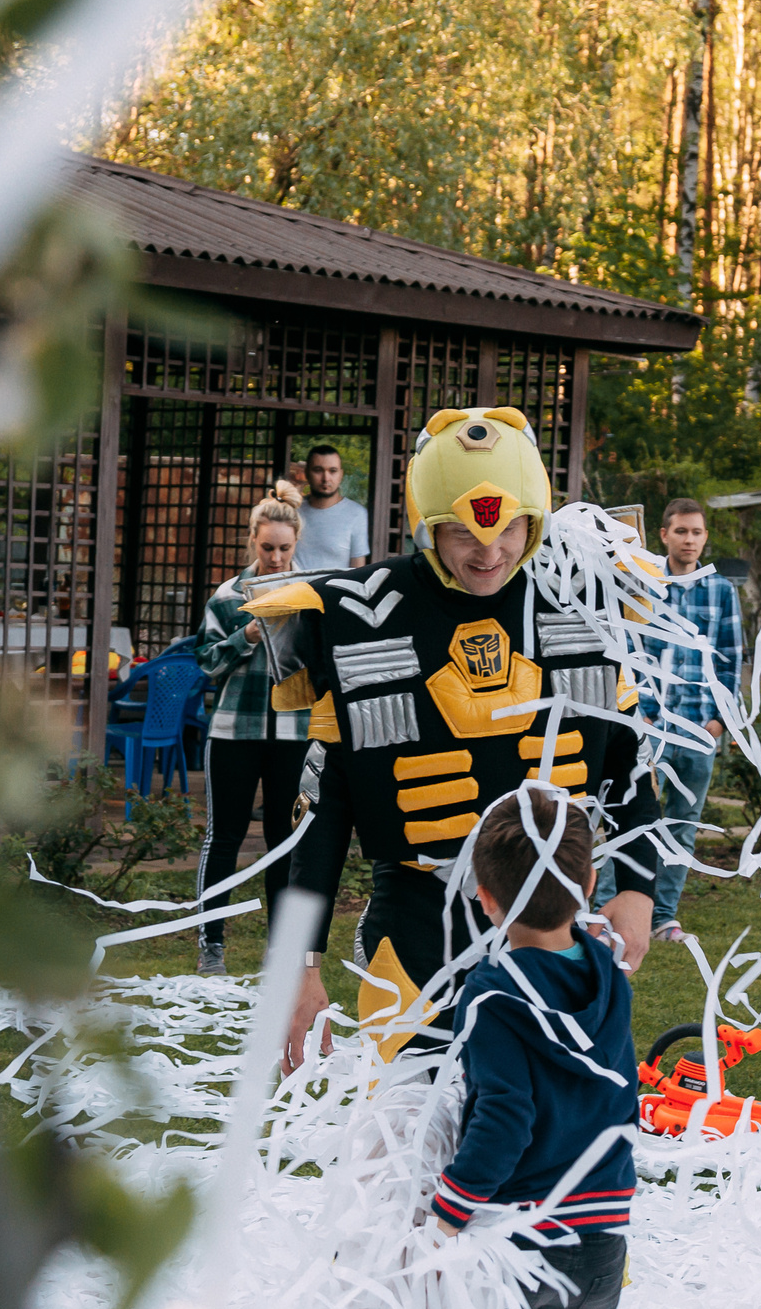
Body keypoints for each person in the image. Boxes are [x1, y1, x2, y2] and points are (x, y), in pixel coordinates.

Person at [245, 408, 660, 1073]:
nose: (488, 550)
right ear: (426, 518)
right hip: (416, 928)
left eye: (509, 526)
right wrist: (302, 963)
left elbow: (628, 769)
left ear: (535, 516)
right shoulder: (352, 617)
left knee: (542, 1138)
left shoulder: (582, 606)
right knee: (404, 1134)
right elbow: (320, 816)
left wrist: (638, 889)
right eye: (463, 529)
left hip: (552, 927)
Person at [422, 786, 636, 1309]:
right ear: (591, 886)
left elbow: (505, 1119)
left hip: (525, 1239)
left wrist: (450, 1207)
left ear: (484, 898)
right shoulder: (608, 973)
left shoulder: (492, 996)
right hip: (604, 1229)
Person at [597, 497, 741, 944]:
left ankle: (663, 917)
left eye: (697, 532)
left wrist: (719, 721)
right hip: (646, 727)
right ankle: (605, 912)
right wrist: (634, 717)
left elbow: (731, 659)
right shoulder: (644, 582)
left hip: (698, 729)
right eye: (681, 531)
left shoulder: (721, 591)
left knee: (683, 823)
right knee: (630, 819)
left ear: (705, 537)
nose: (690, 540)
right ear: (664, 535)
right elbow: (625, 648)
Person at [189, 483, 313, 976]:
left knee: (284, 839)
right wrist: (247, 634)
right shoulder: (227, 596)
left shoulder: (312, 593)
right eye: (267, 548)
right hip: (234, 732)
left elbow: (322, 662)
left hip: (293, 732)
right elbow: (204, 663)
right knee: (226, 837)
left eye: (285, 548)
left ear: (296, 543)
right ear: (252, 542)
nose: (277, 556)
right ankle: (211, 946)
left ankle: (279, 953)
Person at [293, 443, 371, 571]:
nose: (326, 478)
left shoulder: (357, 514)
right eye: (318, 470)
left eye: (332, 471)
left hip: (334, 589)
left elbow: (358, 568)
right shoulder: (293, 511)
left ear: (341, 474)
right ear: (307, 473)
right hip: (295, 588)